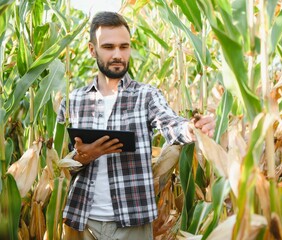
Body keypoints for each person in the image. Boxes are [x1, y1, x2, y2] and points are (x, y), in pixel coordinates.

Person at [57, 11, 215, 240]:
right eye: (108, 47)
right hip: (82, 220)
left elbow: (170, 123)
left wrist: (190, 129)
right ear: (92, 50)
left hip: (132, 221)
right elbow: (58, 163)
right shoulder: (74, 101)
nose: (118, 54)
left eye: (124, 47)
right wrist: (81, 158)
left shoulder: (146, 95)